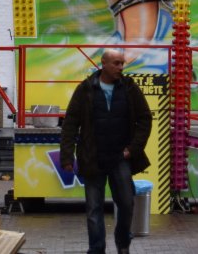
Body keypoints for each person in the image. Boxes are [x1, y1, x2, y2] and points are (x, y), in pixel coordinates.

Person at [59, 49, 152, 254]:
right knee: (94, 209)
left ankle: (122, 243)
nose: (121, 67)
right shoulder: (86, 89)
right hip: (93, 158)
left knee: (127, 204)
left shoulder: (129, 88)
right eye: (116, 63)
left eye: (122, 63)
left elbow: (145, 118)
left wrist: (133, 149)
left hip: (121, 158)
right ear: (104, 64)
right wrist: (67, 156)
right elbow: (70, 124)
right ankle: (96, 249)